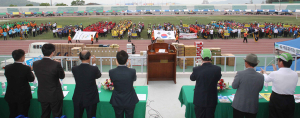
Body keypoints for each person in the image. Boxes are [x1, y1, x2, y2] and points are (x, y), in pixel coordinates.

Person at [260, 53, 298, 118]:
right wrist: (275, 71)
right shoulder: (295, 74)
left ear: (281, 62)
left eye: (278, 60)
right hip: (290, 100)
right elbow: (283, 78)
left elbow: (266, 79)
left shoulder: (275, 74)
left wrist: (264, 73)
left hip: (277, 100)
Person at [33, 44, 65, 118]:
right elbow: (62, 76)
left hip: (43, 94)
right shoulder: (56, 64)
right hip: (55, 95)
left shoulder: (35, 64)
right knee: (57, 115)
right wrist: (59, 65)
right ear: (52, 52)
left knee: (45, 114)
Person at [190, 49, 222, 118]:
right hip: (211, 99)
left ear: (201, 58)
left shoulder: (196, 69)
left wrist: (200, 66)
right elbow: (218, 78)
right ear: (211, 57)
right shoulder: (217, 69)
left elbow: (192, 78)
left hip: (199, 99)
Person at [4, 49, 35, 118]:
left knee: (12, 113)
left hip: (11, 95)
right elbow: (31, 79)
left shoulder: (7, 68)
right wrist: (30, 71)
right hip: (23, 96)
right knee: (23, 114)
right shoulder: (26, 68)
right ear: (22, 58)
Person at [231, 53, 264, 118]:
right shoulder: (261, 76)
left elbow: (234, 86)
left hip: (239, 105)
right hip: (253, 106)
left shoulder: (240, 74)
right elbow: (260, 89)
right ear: (256, 64)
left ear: (246, 63)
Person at [72, 50, 101, 118]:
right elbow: (98, 75)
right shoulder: (94, 69)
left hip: (78, 98)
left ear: (79, 57)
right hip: (91, 98)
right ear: (90, 57)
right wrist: (94, 64)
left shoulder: (74, 69)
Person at [109, 50, 138, 118]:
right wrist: (127, 68)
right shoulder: (132, 71)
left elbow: (114, 80)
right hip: (130, 100)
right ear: (127, 60)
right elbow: (133, 79)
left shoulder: (111, 72)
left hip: (117, 100)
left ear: (116, 60)